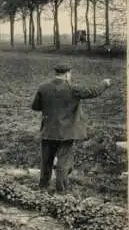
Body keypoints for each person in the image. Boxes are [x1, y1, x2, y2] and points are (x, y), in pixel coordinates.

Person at [31, 64, 111, 194]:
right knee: (63, 162)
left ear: (56, 73)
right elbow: (93, 92)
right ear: (68, 73)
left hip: (48, 131)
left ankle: (43, 187)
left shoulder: (43, 88)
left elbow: (35, 107)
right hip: (66, 133)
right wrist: (105, 83)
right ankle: (61, 191)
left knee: (46, 161)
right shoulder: (73, 89)